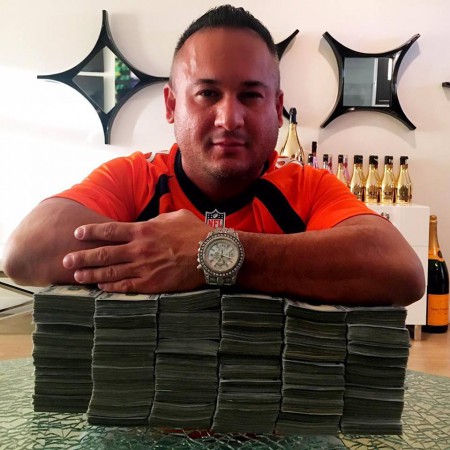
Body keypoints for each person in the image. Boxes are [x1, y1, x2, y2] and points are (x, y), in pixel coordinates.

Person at [3, 5, 424, 306]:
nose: (229, 118)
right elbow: (25, 252)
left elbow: (400, 269)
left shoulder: (307, 188)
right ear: (172, 105)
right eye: (207, 93)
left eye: (251, 95)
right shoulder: (135, 177)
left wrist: (210, 252)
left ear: (277, 109)